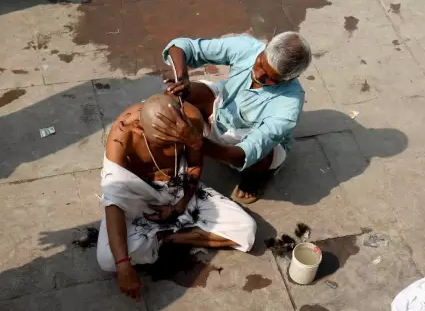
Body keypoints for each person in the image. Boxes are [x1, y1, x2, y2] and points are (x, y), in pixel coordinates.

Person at [96, 94, 256, 301]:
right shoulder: (123, 132)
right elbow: (113, 200)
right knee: (108, 260)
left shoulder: (190, 119)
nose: (170, 149)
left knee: (246, 229)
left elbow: (195, 165)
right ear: (139, 127)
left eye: (175, 143)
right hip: (140, 195)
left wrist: (180, 205)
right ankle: (166, 235)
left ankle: (168, 237)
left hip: (180, 186)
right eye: (162, 143)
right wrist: (124, 266)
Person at [152, 31, 312, 204]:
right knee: (176, 97)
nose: (258, 75)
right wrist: (182, 76)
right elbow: (182, 46)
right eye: (259, 64)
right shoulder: (247, 48)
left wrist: (197, 143)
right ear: (264, 48)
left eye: (271, 79)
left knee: (260, 156)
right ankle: (186, 145)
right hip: (221, 109)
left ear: (291, 78)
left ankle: (255, 179)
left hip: (247, 143)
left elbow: (246, 153)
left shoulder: (289, 104)